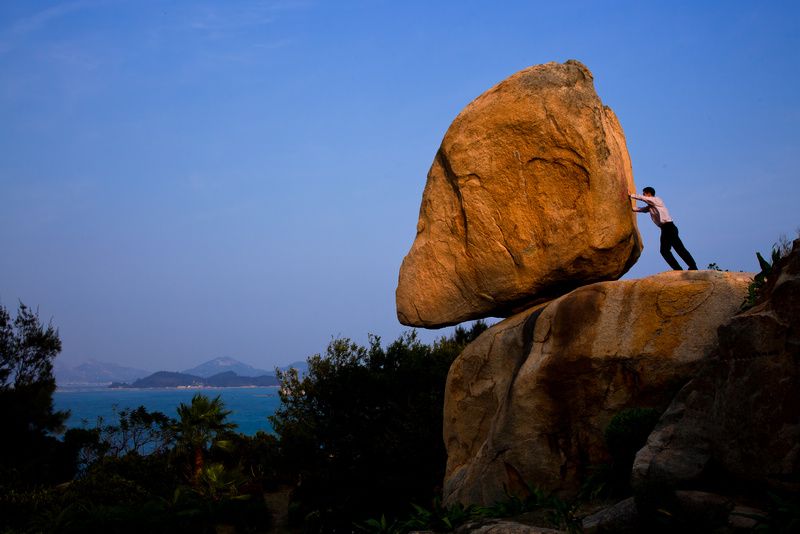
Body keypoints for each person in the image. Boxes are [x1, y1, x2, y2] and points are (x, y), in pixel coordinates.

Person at [630, 187, 698, 271]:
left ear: (648, 193)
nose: (643, 195)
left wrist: (631, 195)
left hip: (668, 227)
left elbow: (643, 198)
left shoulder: (656, 200)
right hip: (666, 228)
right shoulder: (651, 206)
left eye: (644, 193)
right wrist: (631, 208)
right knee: (672, 249)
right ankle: (685, 267)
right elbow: (642, 209)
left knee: (670, 250)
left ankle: (685, 267)